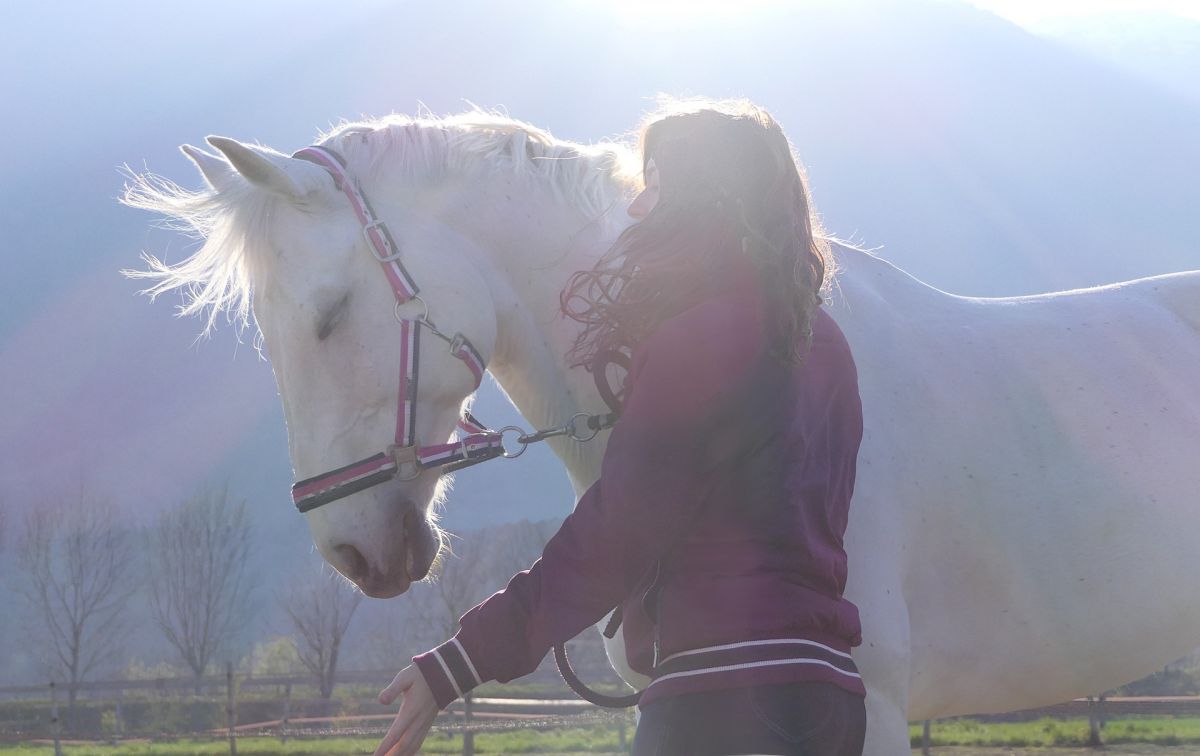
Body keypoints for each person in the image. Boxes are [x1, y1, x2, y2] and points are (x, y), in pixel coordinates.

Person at [373, 97, 866, 756]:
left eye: (655, 185)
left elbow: (619, 530)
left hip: (720, 702)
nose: (638, 209)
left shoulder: (695, 341)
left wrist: (460, 663)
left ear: (702, 194)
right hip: (830, 698)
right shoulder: (826, 343)